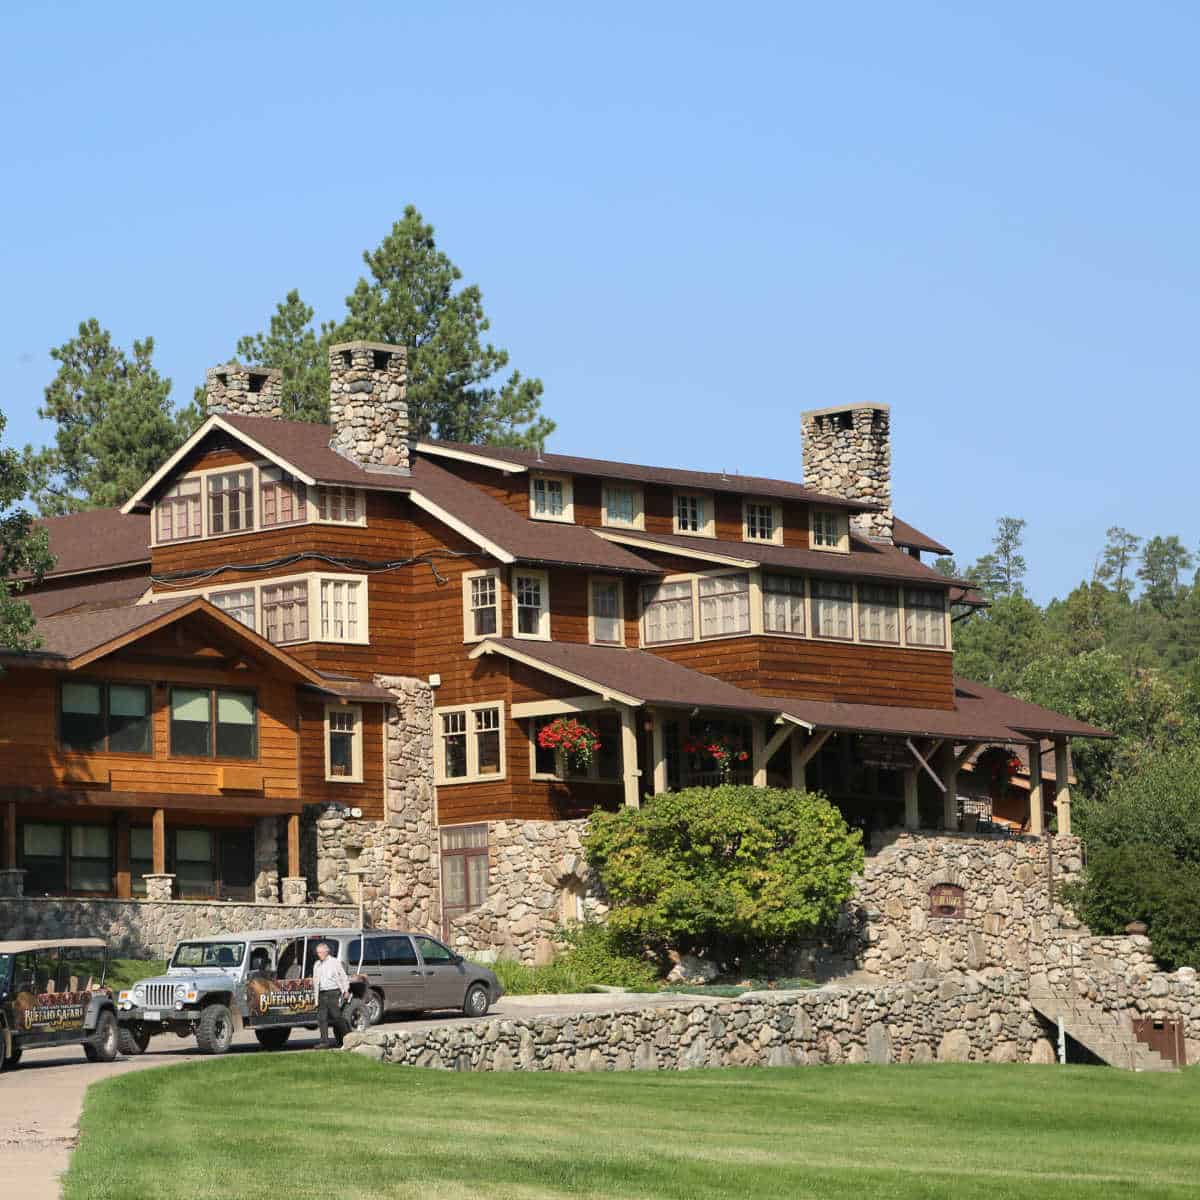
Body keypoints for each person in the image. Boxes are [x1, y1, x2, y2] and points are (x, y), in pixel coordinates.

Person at [312, 941, 350, 1049]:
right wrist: (316, 1000)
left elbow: (343, 976)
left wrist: (346, 990)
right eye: (318, 953)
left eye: (320, 952)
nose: (318, 954)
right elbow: (316, 982)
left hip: (333, 992)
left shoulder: (334, 962)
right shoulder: (317, 964)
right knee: (321, 1018)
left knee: (336, 1016)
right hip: (322, 993)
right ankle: (324, 1042)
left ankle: (348, 1037)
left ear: (326, 952)